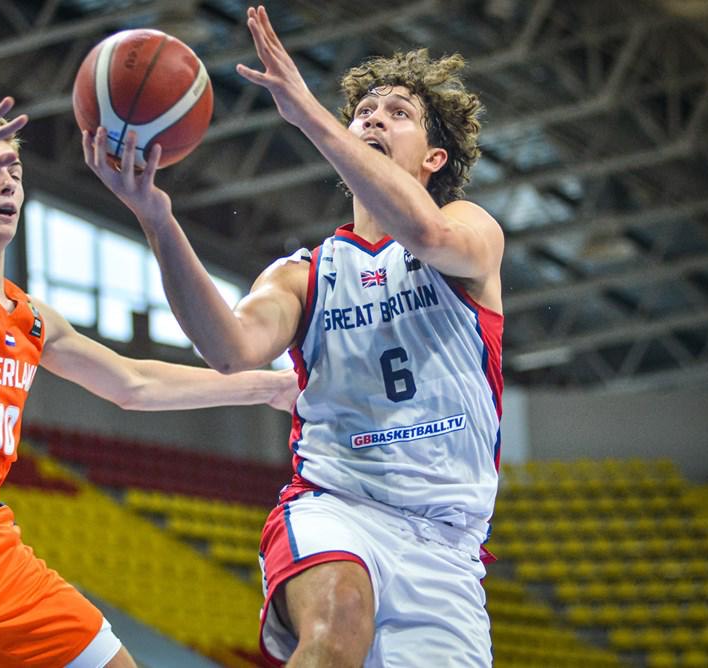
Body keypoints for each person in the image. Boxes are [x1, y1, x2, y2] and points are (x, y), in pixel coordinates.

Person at [84, 5, 504, 667]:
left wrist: (308, 111)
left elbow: (425, 235)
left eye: (395, 112)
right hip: (336, 504)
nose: (371, 118)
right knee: (336, 628)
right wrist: (157, 220)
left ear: (433, 156)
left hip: (445, 544)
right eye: (362, 110)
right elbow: (228, 350)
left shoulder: (470, 229)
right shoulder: (304, 273)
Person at [0, 93, 298, 668]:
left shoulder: (27, 316)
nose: (8, 181)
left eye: (15, 169)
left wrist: (269, 387)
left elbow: (134, 384)